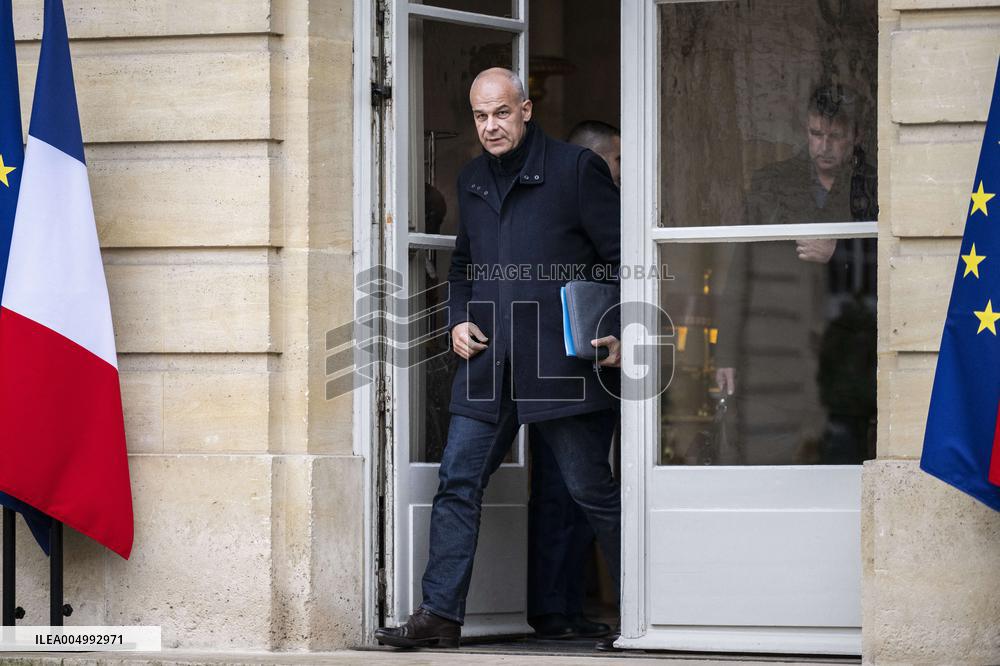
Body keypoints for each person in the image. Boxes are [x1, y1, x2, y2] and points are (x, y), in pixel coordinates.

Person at [374, 68, 622, 649]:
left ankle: (642, 610)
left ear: (526, 109)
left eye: (501, 113)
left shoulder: (575, 169)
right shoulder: (471, 180)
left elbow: (621, 257)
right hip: (488, 364)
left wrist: (615, 329)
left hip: (560, 362)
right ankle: (439, 616)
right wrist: (455, 318)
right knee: (457, 482)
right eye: (481, 116)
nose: (490, 126)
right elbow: (463, 267)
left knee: (590, 489)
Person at [711, 83, 877, 464]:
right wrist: (726, 355)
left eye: (835, 136)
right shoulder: (773, 183)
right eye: (816, 134)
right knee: (770, 475)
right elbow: (740, 272)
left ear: (856, 135)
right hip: (774, 358)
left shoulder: (874, 186)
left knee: (842, 474)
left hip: (848, 357)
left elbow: (899, 266)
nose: (824, 146)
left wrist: (840, 251)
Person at [523, 120, 622, 641]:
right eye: (620, 161)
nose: (626, 173)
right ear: (596, 160)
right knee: (576, 489)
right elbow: (621, 260)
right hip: (569, 361)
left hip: (572, 360)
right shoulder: (584, 187)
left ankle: (560, 608)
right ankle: (558, 608)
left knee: (573, 489)